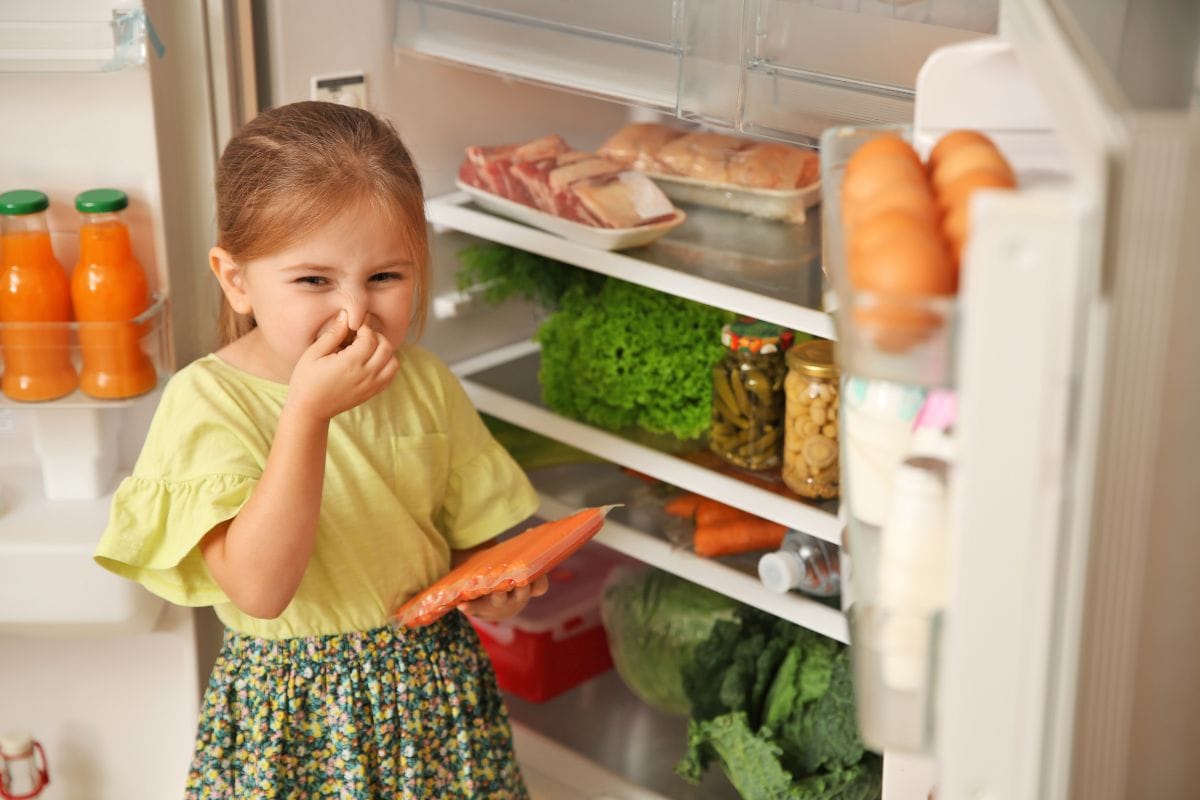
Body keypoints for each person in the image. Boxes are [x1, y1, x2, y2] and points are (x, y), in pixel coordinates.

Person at [94, 101, 545, 799]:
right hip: (297, 715)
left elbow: (465, 551)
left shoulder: (424, 382)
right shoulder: (209, 402)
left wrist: (497, 588)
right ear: (237, 280)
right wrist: (306, 414)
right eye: (314, 281)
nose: (355, 312)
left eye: (385, 277)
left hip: (434, 697)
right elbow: (260, 590)